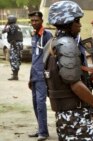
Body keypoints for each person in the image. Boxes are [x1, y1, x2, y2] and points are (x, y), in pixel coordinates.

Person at [45, 1, 93, 140]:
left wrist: (90, 80)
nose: (80, 25)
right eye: (77, 21)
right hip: (75, 115)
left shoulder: (51, 43)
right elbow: (75, 85)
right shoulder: (67, 45)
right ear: (68, 22)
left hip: (64, 114)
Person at [27, 11, 53, 141]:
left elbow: (51, 56)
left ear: (41, 21)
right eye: (32, 21)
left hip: (42, 76)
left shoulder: (47, 35)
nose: (34, 23)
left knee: (40, 104)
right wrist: (30, 77)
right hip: (34, 75)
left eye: (36, 20)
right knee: (35, 103)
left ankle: (43, 132)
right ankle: (41, 128)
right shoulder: (34, 35)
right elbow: (35, 57)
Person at [2, 15, 23, 80]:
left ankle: (15, 76)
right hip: (19, 44)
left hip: (14, 44)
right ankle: (15, 74)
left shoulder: (12, 26)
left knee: (13, 59)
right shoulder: (17, 26)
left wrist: (6, 24)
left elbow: (3, 31)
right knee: (17, 59)